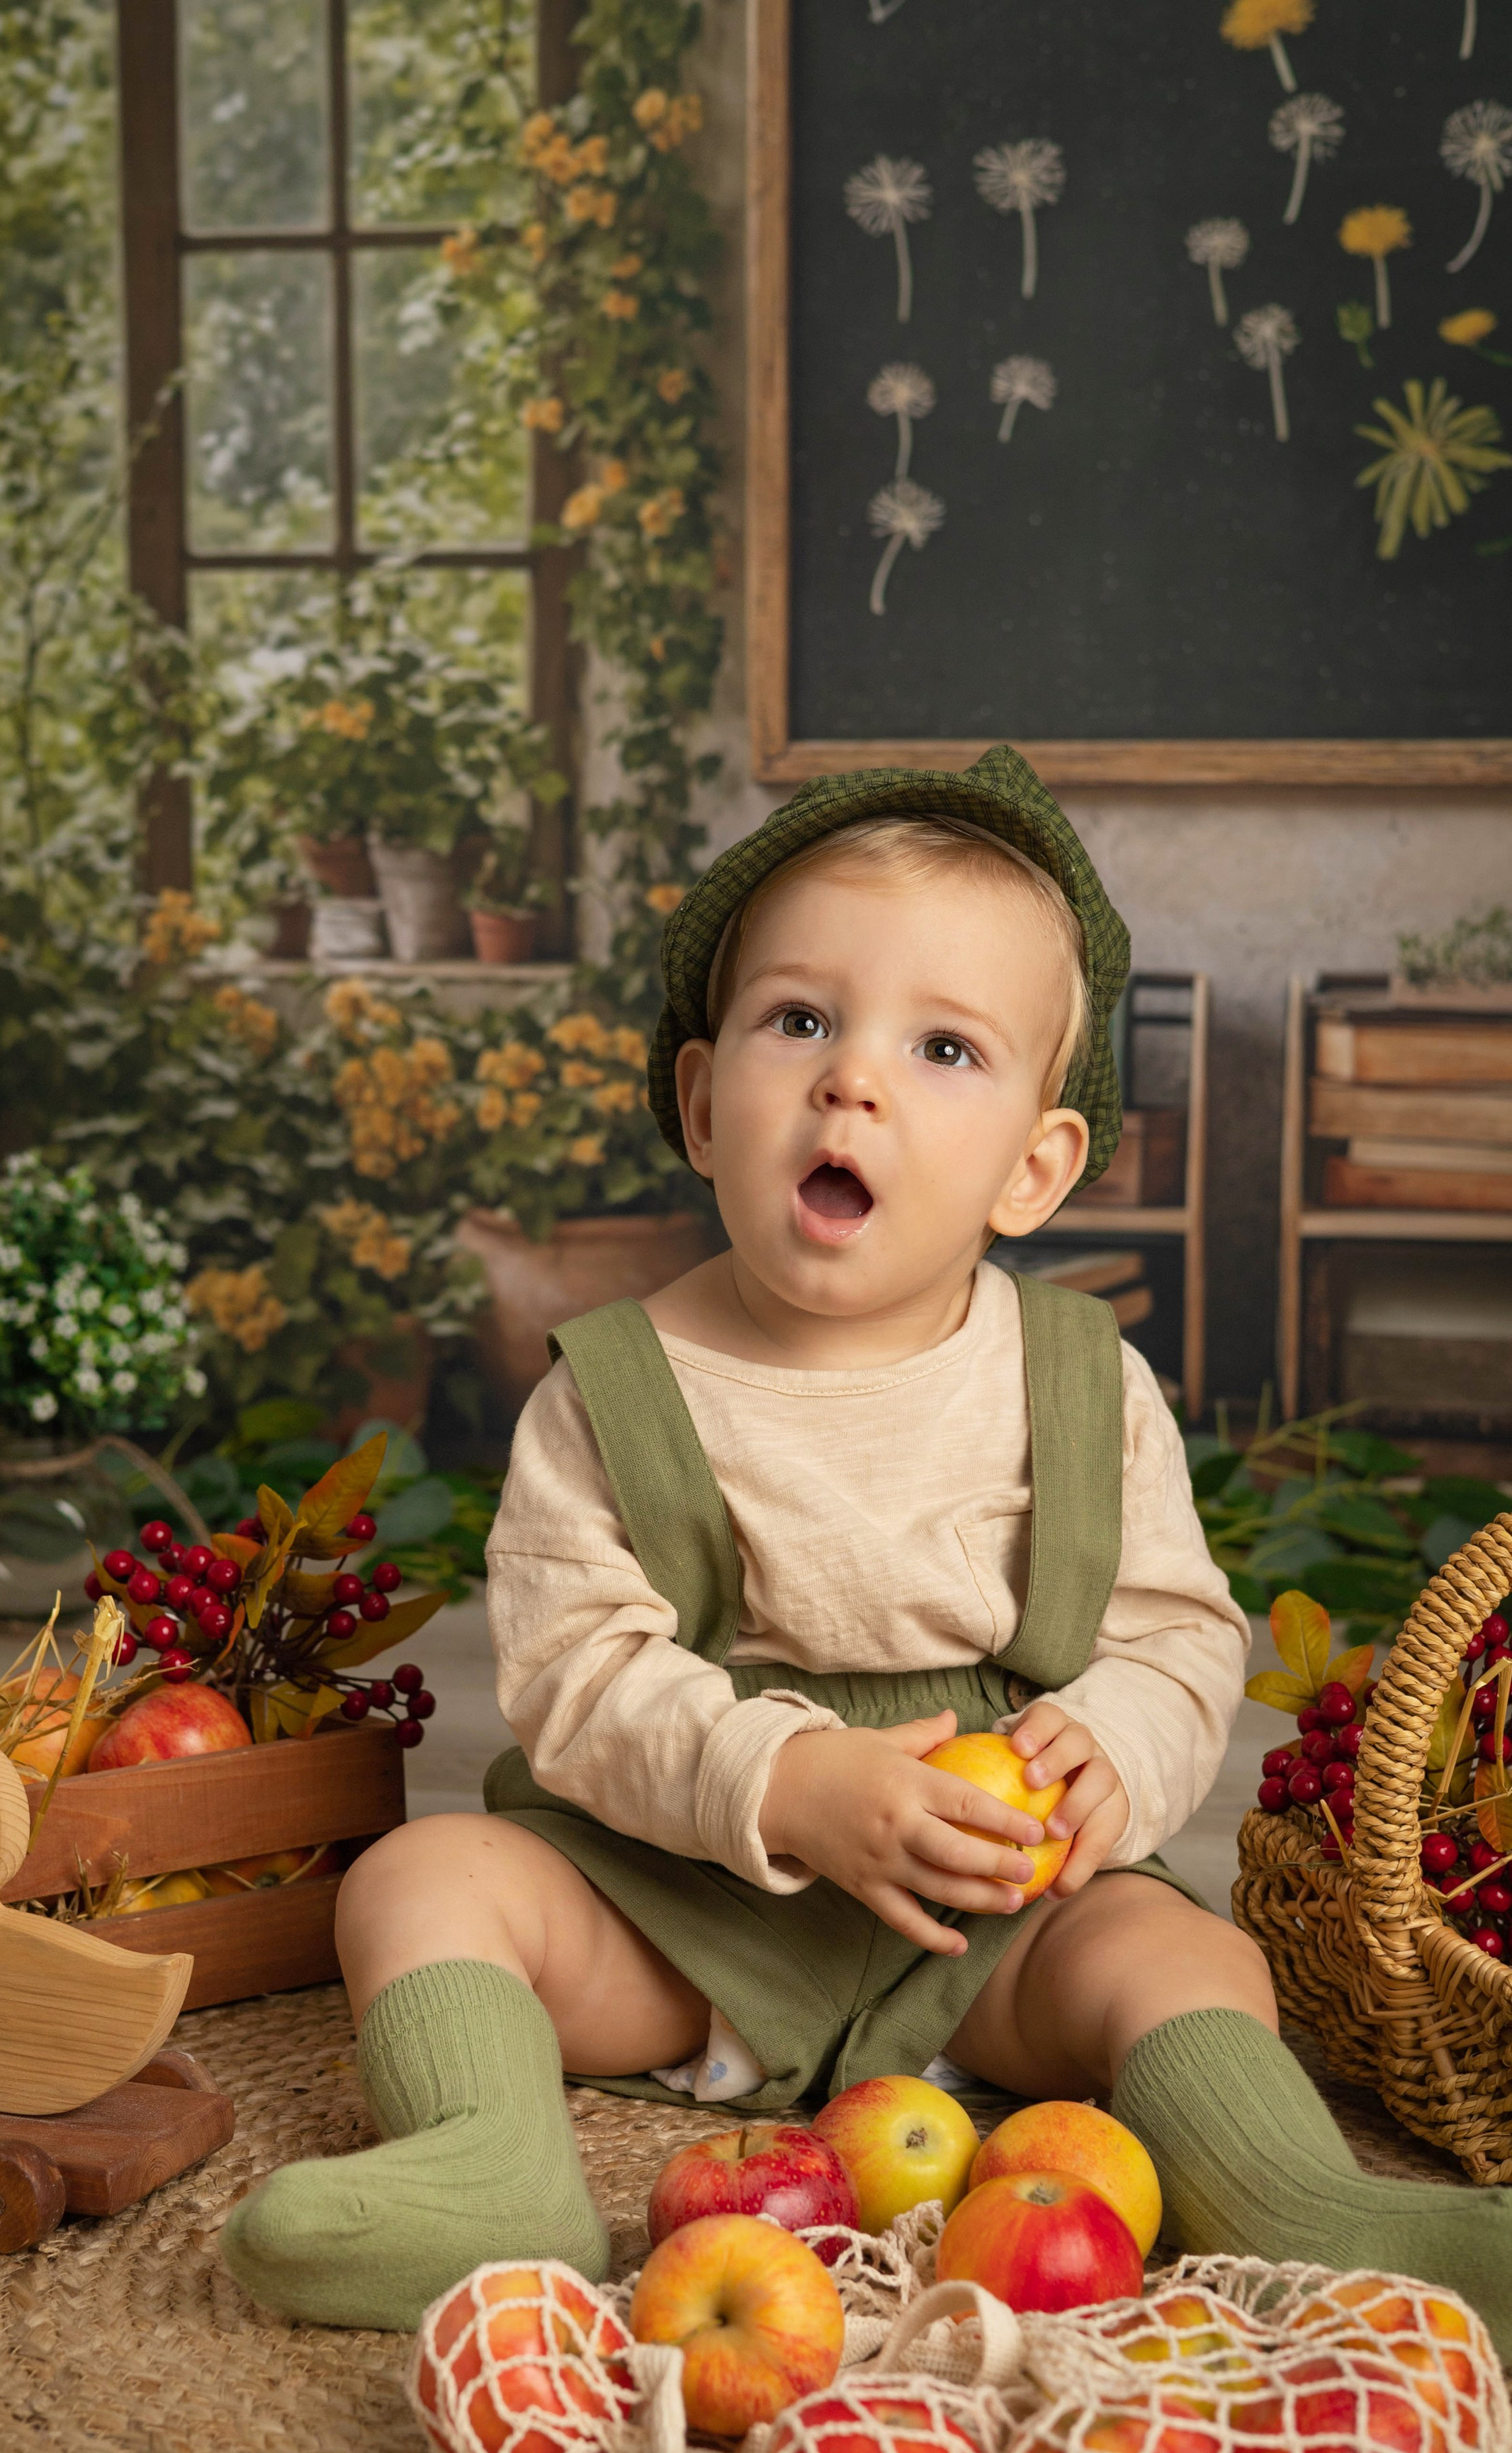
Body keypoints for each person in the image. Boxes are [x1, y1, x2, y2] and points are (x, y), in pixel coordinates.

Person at [221, 748, 1512, 2346]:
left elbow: (1176, 1632)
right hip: (684, 1903)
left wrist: (1113, 1741)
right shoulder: (613, 1388)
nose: (852, 1083)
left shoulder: (1074, 1383)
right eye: (800, 1021)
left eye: (942, 1046)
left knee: (1169, 1951)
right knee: (423, 1878)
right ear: (702, 1105)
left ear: (1032, 1169)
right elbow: (574, 1678)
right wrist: (785, 1784)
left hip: (995, 1920)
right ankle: (484, 2162)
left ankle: (1301, 2201)